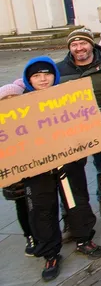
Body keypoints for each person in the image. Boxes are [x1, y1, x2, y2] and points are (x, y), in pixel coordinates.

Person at [22, 57, 101, 281]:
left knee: (77, 203)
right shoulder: (19, 105)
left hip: (69, 163)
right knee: (42, 210)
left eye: (46, 74)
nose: (42, 79)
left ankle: (84, 239)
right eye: (37, 76)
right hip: (37, 170)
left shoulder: (67, 98)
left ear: (54, 76)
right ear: (29, 79)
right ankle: (49, 252)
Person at [56, 28, 101, 221]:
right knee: (70, 174)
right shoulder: (59, 70)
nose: (79, 48)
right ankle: (72, 215)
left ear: (91, 44)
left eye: (83, 43)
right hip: (72, 130)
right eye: (74, 45)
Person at [0, 79, 36, 256]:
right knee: (22, 206)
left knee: (39, 206)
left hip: (35, 170)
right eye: (6, 98)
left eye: (15, 97)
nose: (11, 101)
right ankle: (29, 236)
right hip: (14, 178)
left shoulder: (29, 118)